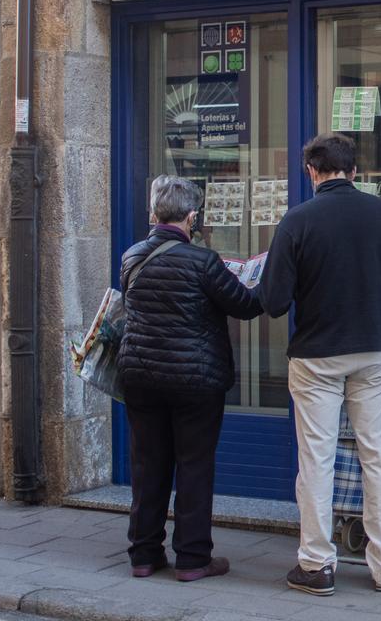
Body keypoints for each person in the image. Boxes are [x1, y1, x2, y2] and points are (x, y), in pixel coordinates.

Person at [258, 132, 381, 596]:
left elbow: (272, 301)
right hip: (374, 348)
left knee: (317, 459)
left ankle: (316, 564)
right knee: (377, 454)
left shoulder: (297, 221)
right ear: (355, 170)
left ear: (312, 171)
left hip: (316, 356)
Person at [118, 175, 262, 582]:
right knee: (194, 465)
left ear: (153, 214)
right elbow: (246, 305)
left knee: (148, 466)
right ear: (192, 217)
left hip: (141, 377)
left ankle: (144, 556)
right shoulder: (203, 262)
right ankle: (193, 558)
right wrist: (258, 278)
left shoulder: (131, 256)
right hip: (194, 380)